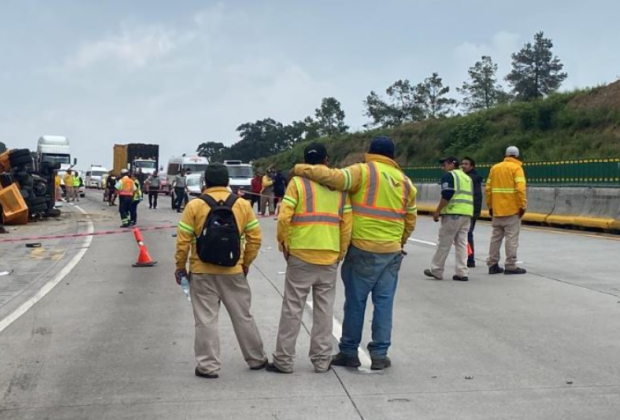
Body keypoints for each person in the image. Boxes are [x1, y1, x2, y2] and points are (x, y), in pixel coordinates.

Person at [292, 136, 417, 370]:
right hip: (391, 251)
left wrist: (301, 168)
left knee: (356, 302)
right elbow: (410, 219)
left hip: (362, 248)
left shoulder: (363, 171)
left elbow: (333, 177)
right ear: (393, 156)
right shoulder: (406, 182)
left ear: (370, 152)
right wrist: (400, 242)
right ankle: (380, 354)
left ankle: (349, 351)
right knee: (384, 303)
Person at [267, 144, 352, 375]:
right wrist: (340, 252)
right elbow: (346, 225)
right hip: (329, 255)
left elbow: (284, 218)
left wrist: (285, 245)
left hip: (301, 254)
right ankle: (322, 361)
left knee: (292, 309)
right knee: (324, 311)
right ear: (327, 160)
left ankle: (284, 361)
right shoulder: (339, 187)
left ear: (305, 161)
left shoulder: (297, 183)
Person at [175, 163, 266, 379]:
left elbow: (183, 241)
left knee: (206, 319)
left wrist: (180, 267)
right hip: (234, 270)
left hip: (202, 271)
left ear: (205, 182)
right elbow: (255, 238)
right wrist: (245, 263)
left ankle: (208, 366)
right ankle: (256, 358)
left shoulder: (195, 206)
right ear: (227, 182)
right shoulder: (242, 205)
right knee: (242, 316)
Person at [424, 157, 474, 282]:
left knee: (444, 242)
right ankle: (462, 272)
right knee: (462, 244)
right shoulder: (467, 177)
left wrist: (437, 211)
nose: (443, 167)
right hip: (466, 214)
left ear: (453, 164)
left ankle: (436, 270)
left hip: (453, 214)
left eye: (445, 164)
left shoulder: (449, 176)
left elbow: (447, 194)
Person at [486, 146, 527, 275]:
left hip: (497, 209)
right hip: (512, 210)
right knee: (511, 238)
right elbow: (520, 189)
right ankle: (510, 265)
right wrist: (522, 206)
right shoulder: (517, 168)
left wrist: (491, 206)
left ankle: (492, 264)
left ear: (506, 154)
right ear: (517, 155)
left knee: (495, 238)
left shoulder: (495, 168)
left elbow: (488, 189)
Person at [461, 157, 483, 268]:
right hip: (469, 210)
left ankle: (469, 259)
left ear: (472, 166)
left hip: (470, 211)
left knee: (466, 234)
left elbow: (476, 196)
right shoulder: (471, 177)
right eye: (462, 163)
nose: (463, 165)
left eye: (466, 164)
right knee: (466, 234)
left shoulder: (470, 179)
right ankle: (468, 258)